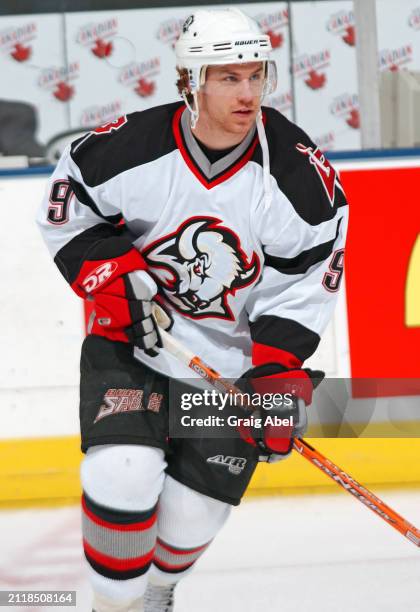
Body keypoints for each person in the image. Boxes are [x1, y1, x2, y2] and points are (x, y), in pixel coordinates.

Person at [36, 7, 348, 612]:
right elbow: (66, 206)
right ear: (191, 81)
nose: (248, 92)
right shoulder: (128, 148)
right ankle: (114, 607)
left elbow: (306, 278)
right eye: (228, 78)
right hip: (134, 346)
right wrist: (109, 269)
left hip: (225, 370)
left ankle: (156, 593)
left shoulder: (296, 175)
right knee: (119, 473)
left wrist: (276, 369)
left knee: (193, 516)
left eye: (256, 76)